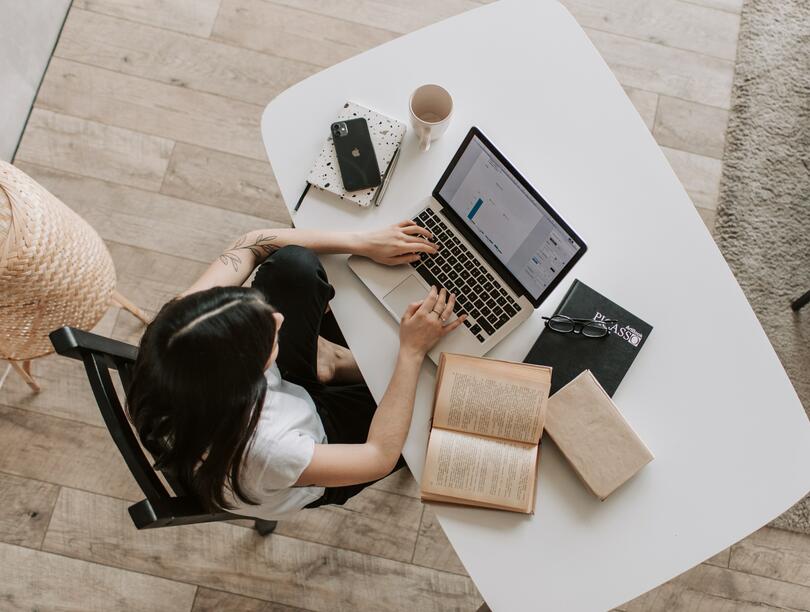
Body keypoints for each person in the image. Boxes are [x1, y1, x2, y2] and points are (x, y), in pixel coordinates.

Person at [126, 221, 466, 519]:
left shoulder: (178, 332)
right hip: (318, 445)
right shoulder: (270, 449)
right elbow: (378, 455)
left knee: (292, 265)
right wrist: (410, 352)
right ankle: (332, 364)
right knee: (439, 404)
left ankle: (327, 364)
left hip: (269, 402)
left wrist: (362, 242)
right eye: (267, 338)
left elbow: (251, 243)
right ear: (247, 378)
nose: (278, 318)